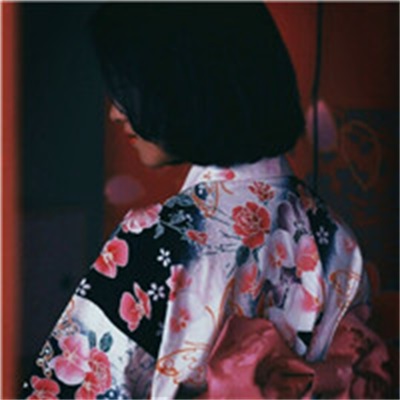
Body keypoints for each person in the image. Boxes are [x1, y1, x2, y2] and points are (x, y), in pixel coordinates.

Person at [21, 3, 390, 399]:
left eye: (130, 91)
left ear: (185, 85)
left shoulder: (154, 242)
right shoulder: (338, 240)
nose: (115, 113)